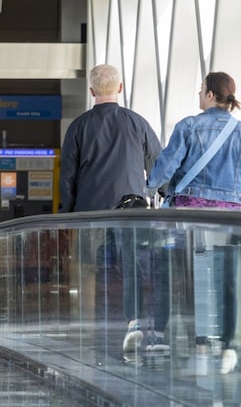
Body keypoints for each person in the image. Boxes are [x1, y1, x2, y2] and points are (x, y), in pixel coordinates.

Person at [146, 71, 241, 374]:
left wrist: (149, 186)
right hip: (232, 220)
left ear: (211, 95)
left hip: (192, 217)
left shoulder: (189, 127)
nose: (199, 95)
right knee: (228, 282)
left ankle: (201, 344)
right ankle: (228, 346)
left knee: (195, 281)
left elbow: (165, 169)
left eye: (201, 90)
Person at [58, 65, 163, 355]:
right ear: (120, 88)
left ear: (91, 91)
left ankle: (87, 326)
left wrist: (66, 213)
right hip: (131, 212)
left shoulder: (79, 126)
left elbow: (67, 176)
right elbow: (157, 165)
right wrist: (159, 195)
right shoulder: (137, 122)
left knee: (89, 271)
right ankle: (133, 321)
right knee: (130, 268)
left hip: (89, 215)